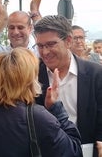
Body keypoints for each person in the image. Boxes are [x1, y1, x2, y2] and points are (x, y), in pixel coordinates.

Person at [33, 15, 102, 156]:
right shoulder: (32, 74)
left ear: (68, 41)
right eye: (40, 46)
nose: (45, 52)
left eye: (51, 44)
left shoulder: (95, 74)